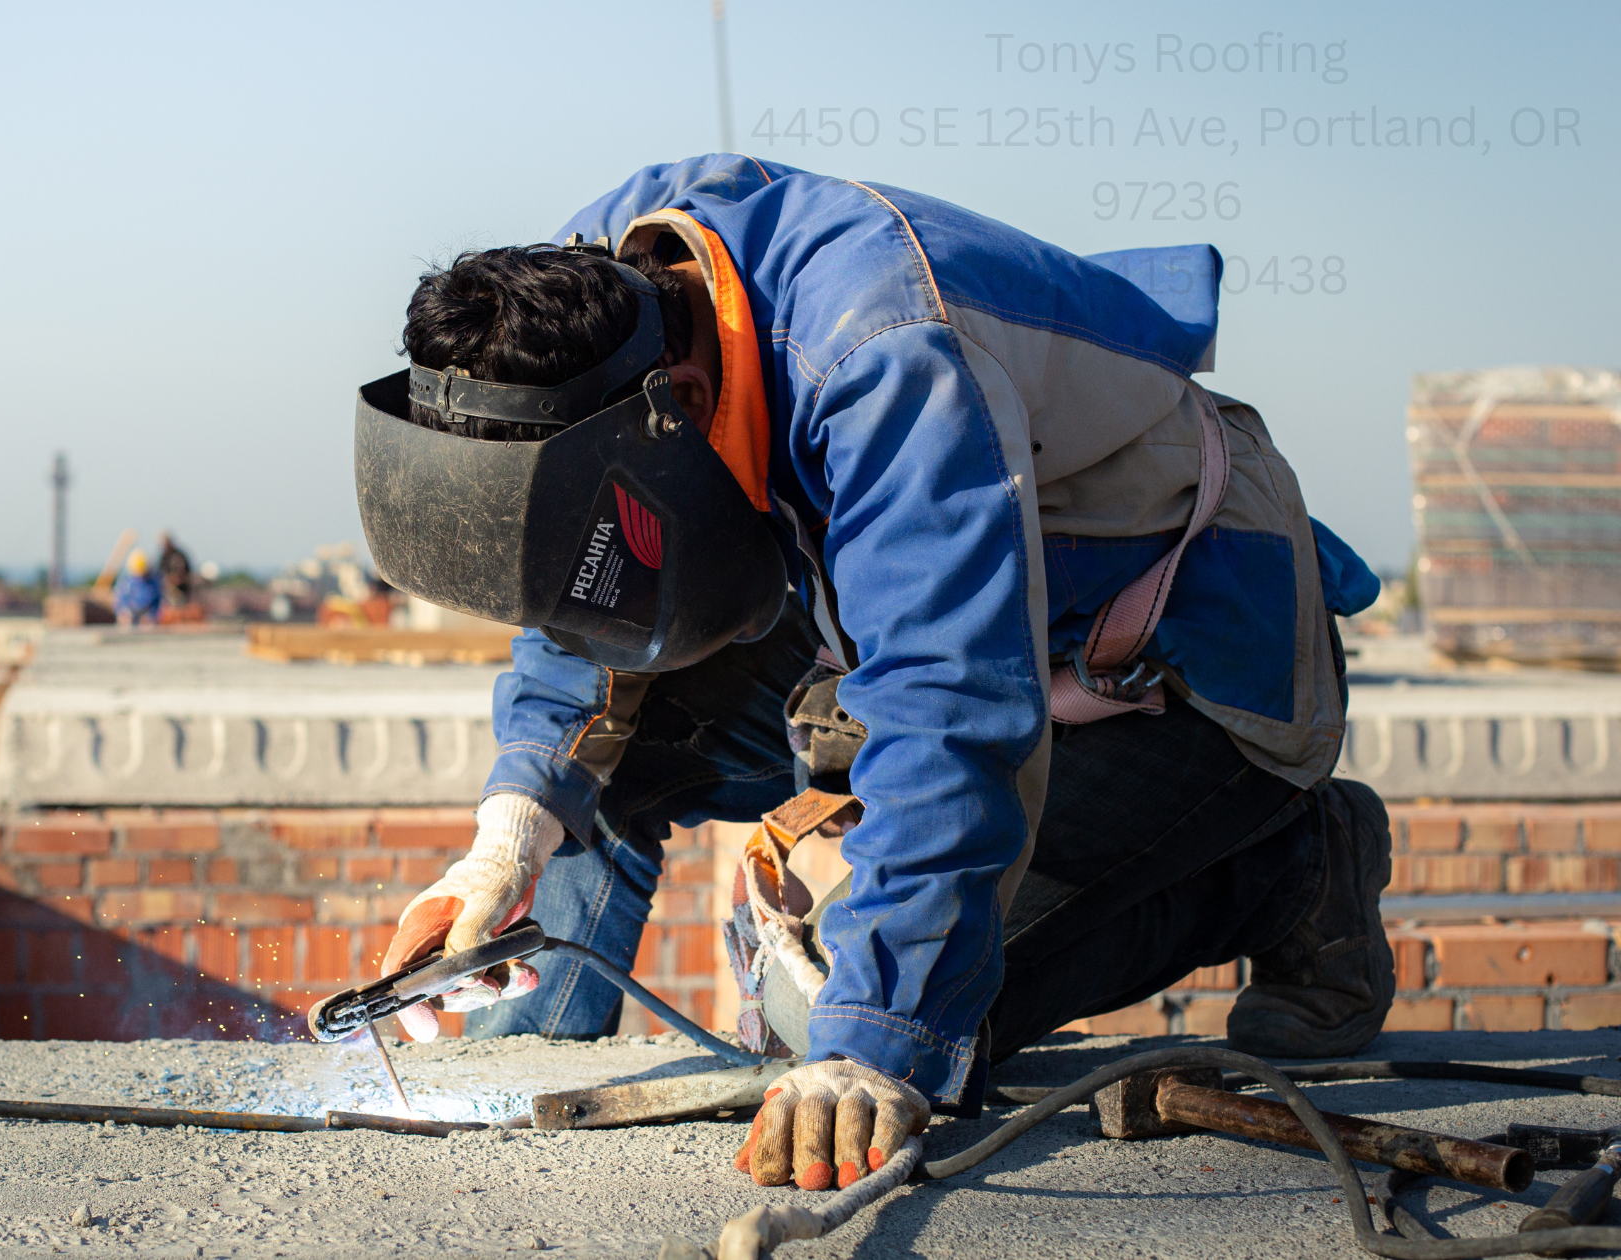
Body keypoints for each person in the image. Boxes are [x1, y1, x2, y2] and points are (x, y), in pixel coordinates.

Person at [351, 155, 1390, 1193]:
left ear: (675, 400)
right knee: (596, 772)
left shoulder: (884, 360)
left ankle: (1290, 875)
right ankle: (519, 1060)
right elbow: (582, 592)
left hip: (1184, 663)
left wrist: (868, 1044)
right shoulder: (603, 285)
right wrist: (506, 840)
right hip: (942, 626)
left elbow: (950, 708)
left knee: (889, 1016)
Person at [112, 551, 161, 626]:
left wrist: (151, 616)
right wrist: (124, 612)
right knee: (125, 622)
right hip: (129, 615)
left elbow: (156, 604)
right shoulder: (126, 583)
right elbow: (119, 602)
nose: (140, 576)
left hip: (146, 617)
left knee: (147, 625)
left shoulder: (153, 584)